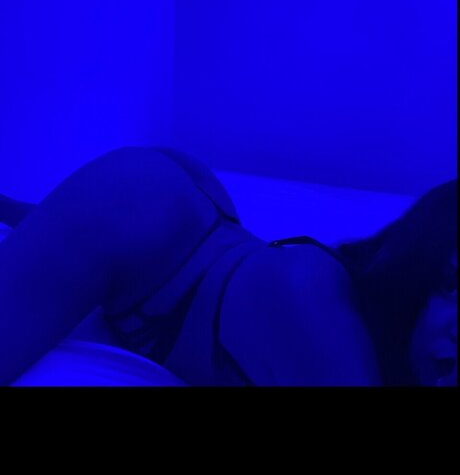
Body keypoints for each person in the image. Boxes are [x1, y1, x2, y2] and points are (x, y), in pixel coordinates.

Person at [0, 146, 457, 386]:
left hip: (201, 235)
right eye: (454, 288)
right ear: (416, 272)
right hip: (141, 211)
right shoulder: (314, 302)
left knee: (37, 229)